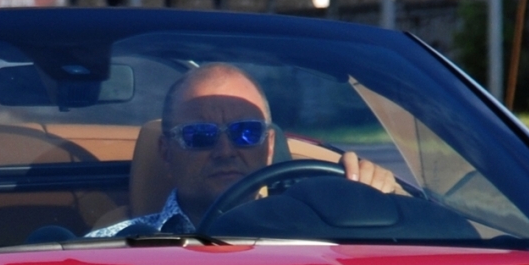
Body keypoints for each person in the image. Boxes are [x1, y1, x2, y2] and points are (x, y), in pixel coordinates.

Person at [88, 64, 398, 236]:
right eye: (200, 135)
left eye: (246, 133)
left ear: (270, 146)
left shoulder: (324, 230)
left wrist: (379, 202)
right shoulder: (113, 248)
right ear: (166, 153)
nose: (225, 150)